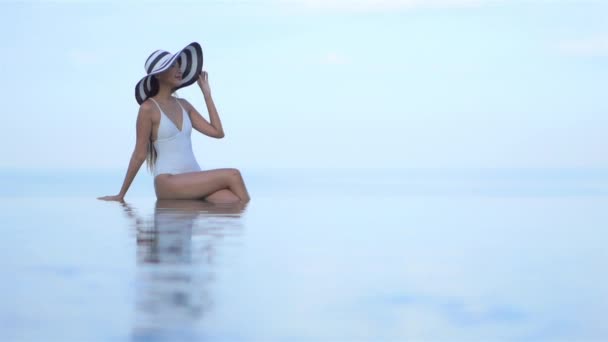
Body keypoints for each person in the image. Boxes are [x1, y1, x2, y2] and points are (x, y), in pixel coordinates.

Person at [98, 42, 250, 204]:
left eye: (178, 66)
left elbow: (218, 133)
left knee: (234, 201)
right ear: (158, 75)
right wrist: (121, 194)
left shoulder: (184, 105)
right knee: (233, 175)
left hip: (194, 179)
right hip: (168, 181)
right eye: (172, 67)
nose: (178, 70)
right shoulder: (148, 108)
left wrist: (207, 94)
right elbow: (139, 154)